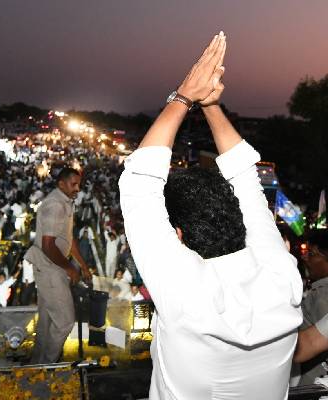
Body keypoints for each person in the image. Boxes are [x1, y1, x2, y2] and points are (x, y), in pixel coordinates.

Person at [118, 32, 302, 399]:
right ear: (238, 218)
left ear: (180, 235)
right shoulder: (283, 276)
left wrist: (185, 96)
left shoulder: (184, 291)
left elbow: (139, 183)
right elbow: (248, 180)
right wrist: (209, 103)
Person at [24, 167, 92, 364]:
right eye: (73, 184)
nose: (77, 188)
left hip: (53, 269)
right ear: (61, 184)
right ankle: (48, 366)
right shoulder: (55, 205)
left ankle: (37, 365)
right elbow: (48, 246)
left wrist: (83, 266)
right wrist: (70, 269)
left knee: (46, 322)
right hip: (50, 270)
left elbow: (68, 240)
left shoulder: (65, 202)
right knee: (64, 322)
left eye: (79, 184)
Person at [295, 229, 328, 384]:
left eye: (312, 254)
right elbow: (311, 341)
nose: (305, 258)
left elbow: (309, 344)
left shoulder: (322, 296)